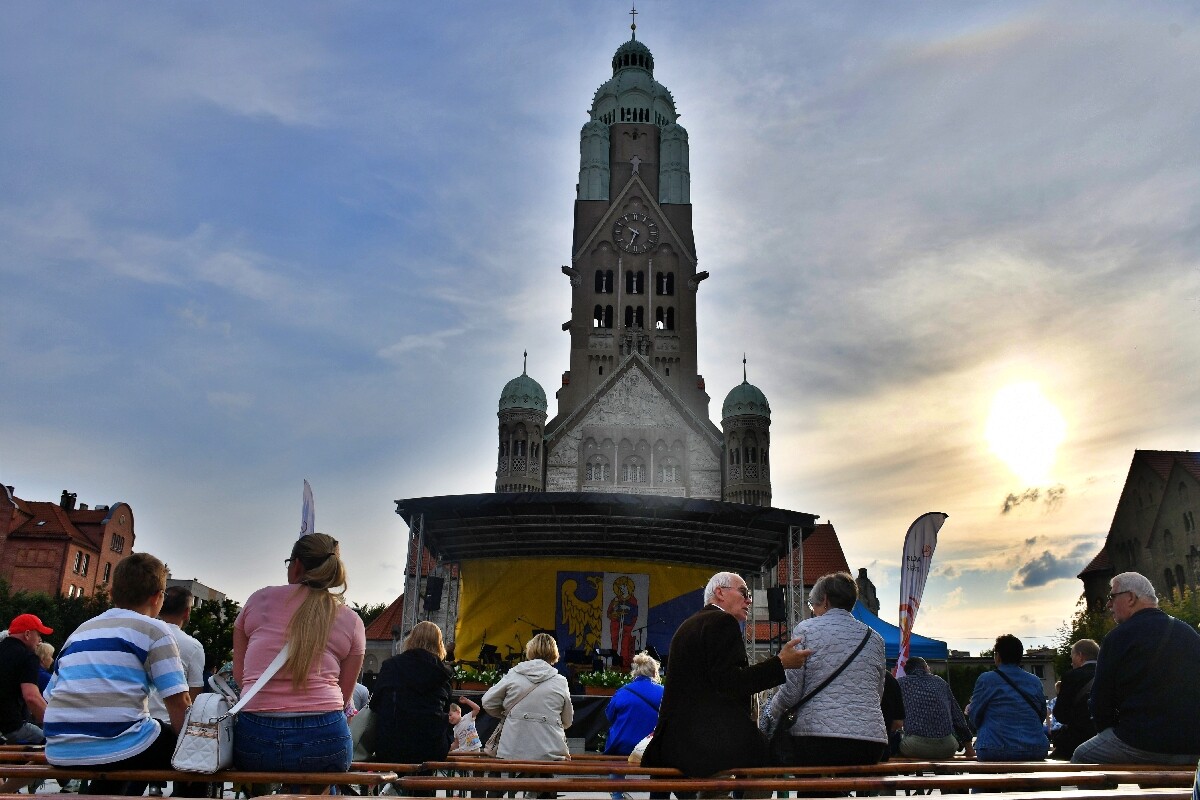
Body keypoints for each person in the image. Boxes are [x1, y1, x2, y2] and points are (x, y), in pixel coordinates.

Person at [44, 553, 191, 796]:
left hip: (60, 749)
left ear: (111, 593)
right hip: (117, 746)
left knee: (126, 743)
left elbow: (50, 695)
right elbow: (179, 703)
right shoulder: (155, 630)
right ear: (157, 597)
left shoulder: (80, 631)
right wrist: (190, 756)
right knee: (200, 760)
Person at [642, 572, 811, 779]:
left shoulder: (690, 625)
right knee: (769, 766)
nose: (749, 599)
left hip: (679, 742)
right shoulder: (722, 622)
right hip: (709, 742)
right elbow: (731, 682)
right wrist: (780, 663)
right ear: (720, 593)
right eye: (743, 592)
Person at [233, 532, 366, 772]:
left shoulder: (258, 600)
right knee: (324, 784)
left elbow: (240, 677)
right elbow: (345, 696)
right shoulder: (351, 620)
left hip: (256, 733)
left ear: (296, 566)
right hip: (324, 735)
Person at [760, 571, 887, 766]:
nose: (813, 611)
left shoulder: (806, 630)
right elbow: (878, 693)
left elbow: (791, 693)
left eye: (813, 605)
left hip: (818, 740)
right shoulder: (875, 638)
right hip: (871, 743)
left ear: (825, 601)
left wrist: (770, 713)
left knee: (812, 789)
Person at [1072, 572, 1200, 765]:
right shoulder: (1188, 632)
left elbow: (1101, 702)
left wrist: (1112, 730)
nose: (1108, 605)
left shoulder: (1118, 637)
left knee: (1082, 756)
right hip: (1193, 744)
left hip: (1141, 742)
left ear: (1130, 597)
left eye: (1112, 597)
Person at [148, 586, 208, 799]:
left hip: (138, 726)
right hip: (170, 729)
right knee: (201, 773)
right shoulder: (192, 646)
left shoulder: (141, 634)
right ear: (186, 612)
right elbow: (193, 699)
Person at [370, 620, 454, 764]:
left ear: (411, 639)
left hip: (390, 747)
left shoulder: (391, 666)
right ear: (439, 644)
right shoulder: (442, 673)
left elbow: (375, 704)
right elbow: (446, 711)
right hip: (431, 749)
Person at [482, 632, 574, 761]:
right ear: (555, 653)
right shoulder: (561, 681)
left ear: (530, 650)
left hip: (512, 747)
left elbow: (487, 701)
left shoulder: (514, 674)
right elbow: (568, 720)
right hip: (550, 751)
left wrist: (509, 715)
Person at [967, 634, 1048, 761]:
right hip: (1035, 748)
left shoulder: (986, 679)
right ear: (1020, 657)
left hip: (994, 748)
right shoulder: (1035, 681)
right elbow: (1041, 715)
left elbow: (975, 716)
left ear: (998, 656)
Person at [896, 657, 974, 759]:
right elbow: (958, 717)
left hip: (915, 747)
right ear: (925, 667)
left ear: (907, 672)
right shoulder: (940, 682)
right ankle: (944, 772)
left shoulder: (900, 683)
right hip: (947, 747)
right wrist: (969, 748)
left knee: (896, 743)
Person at [0, 614, 51, 745]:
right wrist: (53, 722)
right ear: (27, 634)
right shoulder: (28, 657)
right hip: (9, 727)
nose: (40, 640)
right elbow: (31, 697)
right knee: (51, 741)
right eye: (38, 635)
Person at [604, 651, 664, 757]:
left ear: (634, 672)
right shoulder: (664, 692)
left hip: (622, 746)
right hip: (651, 747)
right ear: (655, 672)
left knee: (615, 771)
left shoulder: (622, 692)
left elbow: (609, 716)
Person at [1049, 638, 1097, 760]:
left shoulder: (1071, 677)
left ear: (1080, 656)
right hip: (1107, 737)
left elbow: (1061, 715)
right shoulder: (1111, 673)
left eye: (1072, 657)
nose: (1071, 662)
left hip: (1077, 740)